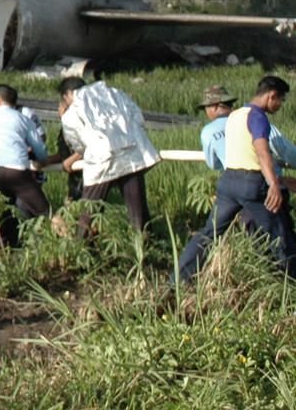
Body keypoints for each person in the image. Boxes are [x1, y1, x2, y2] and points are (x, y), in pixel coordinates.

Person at [178, 76, 296, 280]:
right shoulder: (257, 116)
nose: (280, 106)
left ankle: (178, 281)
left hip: (228, 183)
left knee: (208, 234)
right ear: (271, 96)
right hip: (252, 183)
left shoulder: (236, 115)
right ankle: (292, 286)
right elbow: (262, 152)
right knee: (281, 237)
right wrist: (274, 184)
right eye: (281, 101)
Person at [56, 77, 161, 234]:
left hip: (101, 160)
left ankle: (81, 247)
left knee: (89, 210)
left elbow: (75, 143)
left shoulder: (73, 110)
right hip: (132, 155)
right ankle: (144, 245)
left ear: (68, 94)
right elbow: (138, 118)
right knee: (138, 210)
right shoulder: (115, 94)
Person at [0, 85, 50, 249]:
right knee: (46, 211)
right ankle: (70, 241)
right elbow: (40, 148)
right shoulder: (23, 119)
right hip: (18, 170)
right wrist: (41, 161)